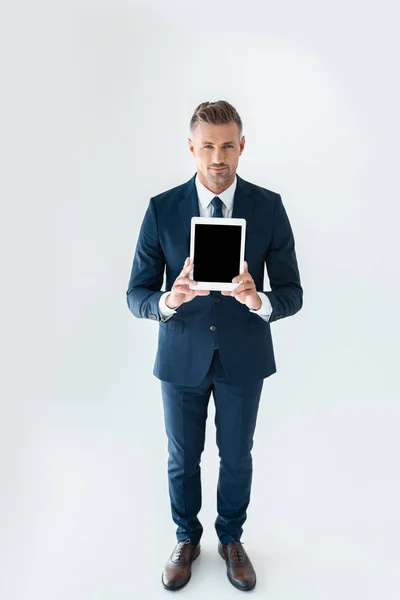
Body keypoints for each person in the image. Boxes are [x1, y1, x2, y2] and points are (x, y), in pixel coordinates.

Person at [126, 100, 303, 592]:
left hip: (243, 356)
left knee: (236, 454)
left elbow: (293, 293)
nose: (218, 156)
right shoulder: (162, 209)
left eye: (228, 145)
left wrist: (258, 299)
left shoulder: (268, 207)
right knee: (183, 456)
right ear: (192, 148)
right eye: (207, 146)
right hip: (181, 354)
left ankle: (231, 539)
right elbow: (135, 294)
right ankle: (187, 538)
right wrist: (169, 299)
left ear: (242, 147)